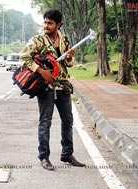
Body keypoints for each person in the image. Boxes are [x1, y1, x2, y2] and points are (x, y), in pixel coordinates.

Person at [19, 9, 86, 170]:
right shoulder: (38, 40)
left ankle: (67, 154)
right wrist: (41, 71)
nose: (46, 26)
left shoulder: (65, 40)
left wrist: (70, 57)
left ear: (59, 25)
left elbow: (69, 63)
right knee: (45, 121)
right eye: (45, 22)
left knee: (68, 120)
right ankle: (44, 157)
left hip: (63, 84)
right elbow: (24, 58)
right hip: (45, 86)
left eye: (50, 23)